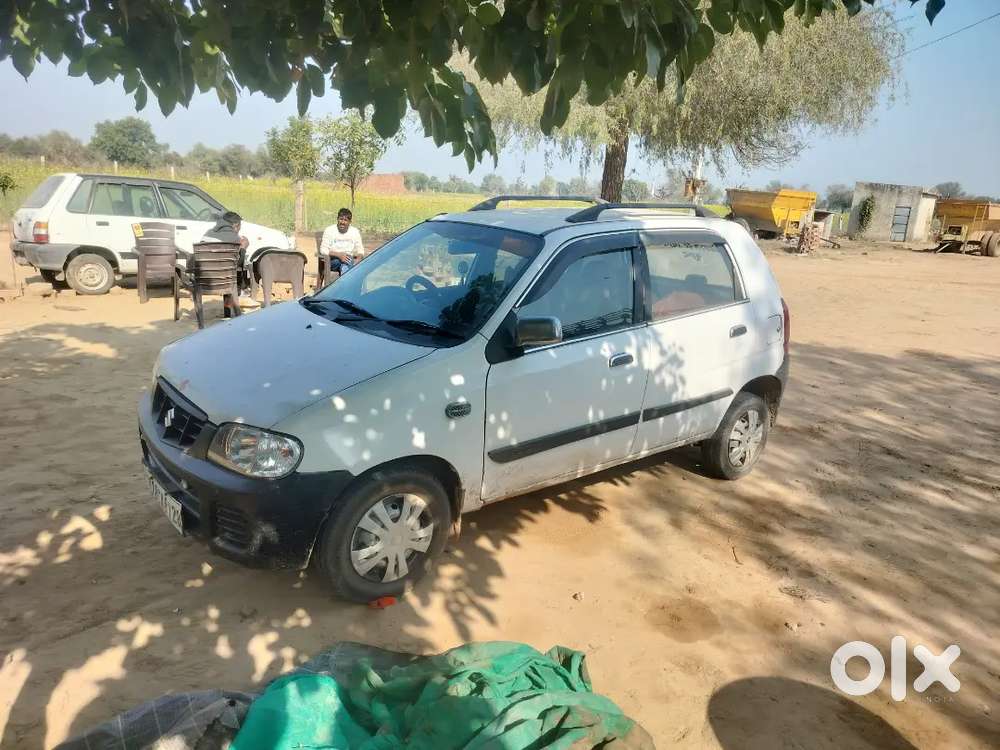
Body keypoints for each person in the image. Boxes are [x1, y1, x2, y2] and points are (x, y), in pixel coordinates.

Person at [320, 208, 364, 277]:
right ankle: (346, 283)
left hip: (349, 260)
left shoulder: (354, 232)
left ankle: (345, 277)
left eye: (345, 220)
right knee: (344, 262)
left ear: (350, 222)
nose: (342, 222)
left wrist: (359, 259)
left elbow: (360, 250)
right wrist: (339, 255)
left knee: (349, 263)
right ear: (337, 219)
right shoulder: (329, 230)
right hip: (332, 261)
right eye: (341, 219)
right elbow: (323, 250)